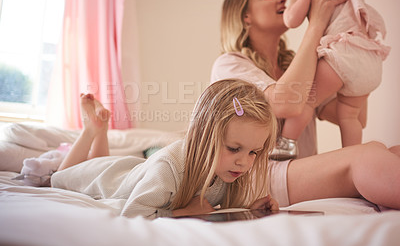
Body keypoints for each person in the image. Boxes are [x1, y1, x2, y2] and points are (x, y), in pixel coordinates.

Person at [52, 80, 280, 219]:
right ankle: (92, 130)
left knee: (98, 163)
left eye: (253, 152)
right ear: (203, 136)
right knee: (61, 176)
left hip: (126, 172)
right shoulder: (169, 167)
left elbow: (217, 209)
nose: (245, 162)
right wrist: (180, 214)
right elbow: (133, 215)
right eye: (234, 148)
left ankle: (99, 131)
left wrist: (250, 209)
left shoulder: (226, 171)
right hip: (106, 179)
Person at [212, 0, 347, 159]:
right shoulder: (229, 64)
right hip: (263, 175)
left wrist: (353, 49)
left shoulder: (296, 67)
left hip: (303, 172)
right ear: (246, 17)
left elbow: (352, 116)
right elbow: (287, 104)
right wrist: (316, 25)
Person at [280, 0, 390, 154]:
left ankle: (285, 145)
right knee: (349, 115)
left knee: (306, 102)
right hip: (371, 61)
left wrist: (295, 0)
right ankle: (353, 157)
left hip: (343, 55)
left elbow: (291, 21)